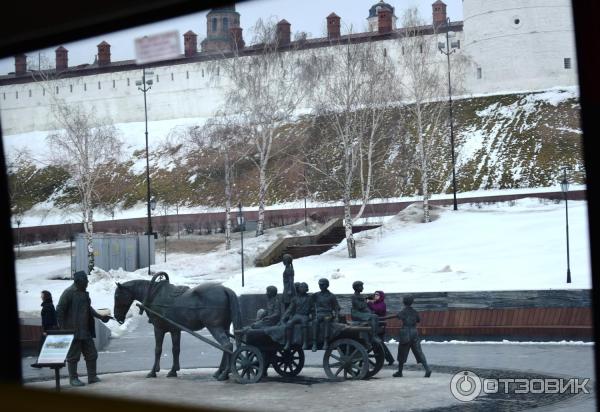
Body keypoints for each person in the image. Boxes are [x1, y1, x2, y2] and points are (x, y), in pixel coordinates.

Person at [56, 271, 111, 387]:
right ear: (78, 281)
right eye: (85, 281)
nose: (87, 283)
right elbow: (60, 310)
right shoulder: (68, 293)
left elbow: (88, 308)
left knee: (92, 354)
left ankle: (92, 376)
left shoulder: (83, 293)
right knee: (73, 356)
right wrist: (62, 329)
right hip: (73, 331)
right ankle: (73, 379)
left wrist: (101, 316)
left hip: (85, 330)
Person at [393, 295, 431, 378]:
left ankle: (400, 372)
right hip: (414, 332)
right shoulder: (414, 311)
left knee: (402, 352)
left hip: (406, 333)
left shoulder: (403, 311)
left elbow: (398, 316)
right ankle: (427, 369)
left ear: (404, 302)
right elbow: (418, 320)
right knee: (419, 351)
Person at [310, 278, 340, 351]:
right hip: (319, 314)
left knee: (326, 320)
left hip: (328, 314)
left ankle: (325, 342)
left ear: (327, 285)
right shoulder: (316, 295)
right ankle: (314, 343)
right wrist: (311, 312)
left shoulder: (331, 296)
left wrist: (336, 317)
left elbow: (336, 307)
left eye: (322, 285)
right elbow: (309, 302)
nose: (321, 286)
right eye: (320, 285)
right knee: (315, 322)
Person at [367, 290, 395, 365]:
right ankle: (382, 360)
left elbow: (377, 309)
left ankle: (389, 359)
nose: (375, 296)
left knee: (379, 344)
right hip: (375, 326)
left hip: (380, 327)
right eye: (375, 294)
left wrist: (369, 303)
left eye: (377, 295)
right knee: (377, 344)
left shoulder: (382, 304)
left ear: (381, 296)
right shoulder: (375, 303)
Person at [281, 282, 312, 350]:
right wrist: (283, 318)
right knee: (289, 323)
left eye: (304, 287)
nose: (302, 289)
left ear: (307, 289)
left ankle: (305, 342)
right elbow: (290, 309)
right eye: (301, 287)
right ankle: (288, 342)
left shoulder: (310, 298)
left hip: (305, 315)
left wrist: (312, 316)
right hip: (297, 315)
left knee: (304, 324)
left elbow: (313, 308)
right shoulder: (295, 298)